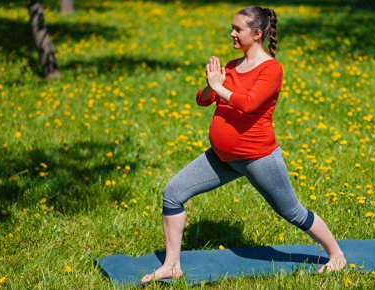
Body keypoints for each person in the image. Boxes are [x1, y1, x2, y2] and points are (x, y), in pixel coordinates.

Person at [141, 6, 346, 282]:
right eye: (232, 28)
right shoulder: (232, 66)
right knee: (173, 193)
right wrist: (210, 86)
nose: (232, 33)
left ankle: (336, 254)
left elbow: (249, 105)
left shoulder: (271, 70)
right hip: (222, 157)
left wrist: (220, 87)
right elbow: (203, 100)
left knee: (292, 212)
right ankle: (172, 265)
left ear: (258, 33)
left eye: (238, 29)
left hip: (258, 158)